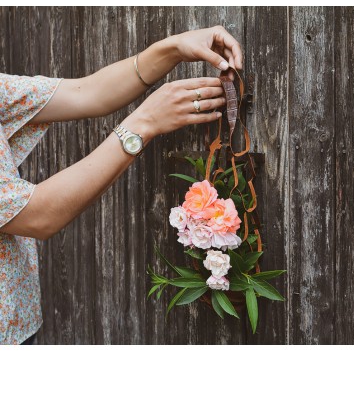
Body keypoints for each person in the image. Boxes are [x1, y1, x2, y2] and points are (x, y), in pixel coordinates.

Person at [0, 24, 243, 345]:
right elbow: (37, 215)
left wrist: (172, 48)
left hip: (20, 322)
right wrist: (143, 123)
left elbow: (88, 93)